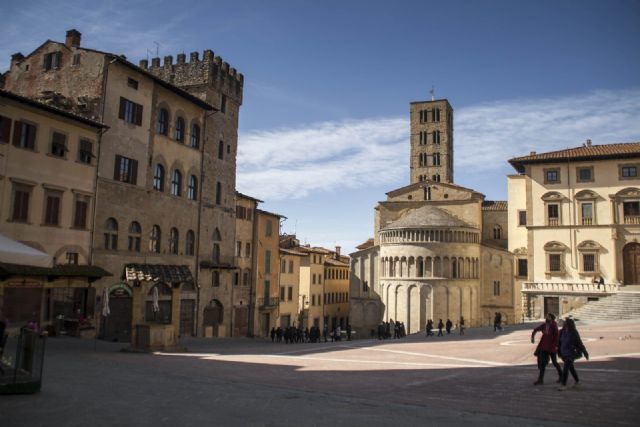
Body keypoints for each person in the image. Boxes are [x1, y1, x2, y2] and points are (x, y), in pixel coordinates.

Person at [558, 318, 589, 390]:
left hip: (571, 353)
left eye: (565, 322)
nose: (563, 323)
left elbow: (579, 343)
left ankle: (563, 384)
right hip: (564, 353)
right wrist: (558, 351)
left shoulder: (573, 332)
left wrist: (585, 352)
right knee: (571, 368)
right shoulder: (562, 331)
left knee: (566, 368)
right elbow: (559, 342)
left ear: (568, 324)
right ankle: (577, 382)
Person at [531, 313, 562, 385]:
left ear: (551, 318)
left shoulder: (554, 325)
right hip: (544, 347)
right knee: (542, 363)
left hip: (551, 347)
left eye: (548, 317)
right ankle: (540, 379)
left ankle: (561, 376)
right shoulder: (544, 325)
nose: (546, 318)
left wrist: (555, 346)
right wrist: (532, 337)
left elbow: (556, 337)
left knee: (555, 363)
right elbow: (535, 329)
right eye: (546, 317)